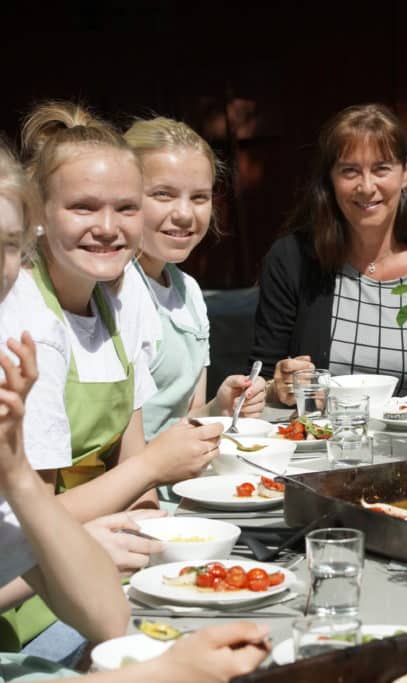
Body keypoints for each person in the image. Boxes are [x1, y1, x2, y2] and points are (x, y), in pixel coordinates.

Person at [0, 140, 267, 680]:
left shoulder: (111, 304)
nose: (107, 226)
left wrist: (23, 488)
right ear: (43, 222)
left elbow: (107, 617)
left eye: (4, 244)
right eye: (83, 207)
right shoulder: (32, 331)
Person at [15, 100, 221, 515]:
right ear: (38, 212)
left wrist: (160, 544)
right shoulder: (28, 323)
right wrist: (151, 468)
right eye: (84, 207)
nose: (108, 228)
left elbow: (133, 461)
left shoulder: (120, 300)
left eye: (126, 208)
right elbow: (31, 523)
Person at [251, 104, 407, 402]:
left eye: (381, 169)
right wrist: (276, 388)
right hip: (324, 443)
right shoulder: (292, 260)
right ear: (330, 179)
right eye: (349, 171)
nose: (366, 186)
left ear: (406, 172)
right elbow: (258, 381)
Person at [122, 117, 266, 440]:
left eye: (199, 197)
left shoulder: (189, 292)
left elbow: (186, 418)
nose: (185, 214)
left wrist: (219, 407)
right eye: (163, 194)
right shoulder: (117, 291)